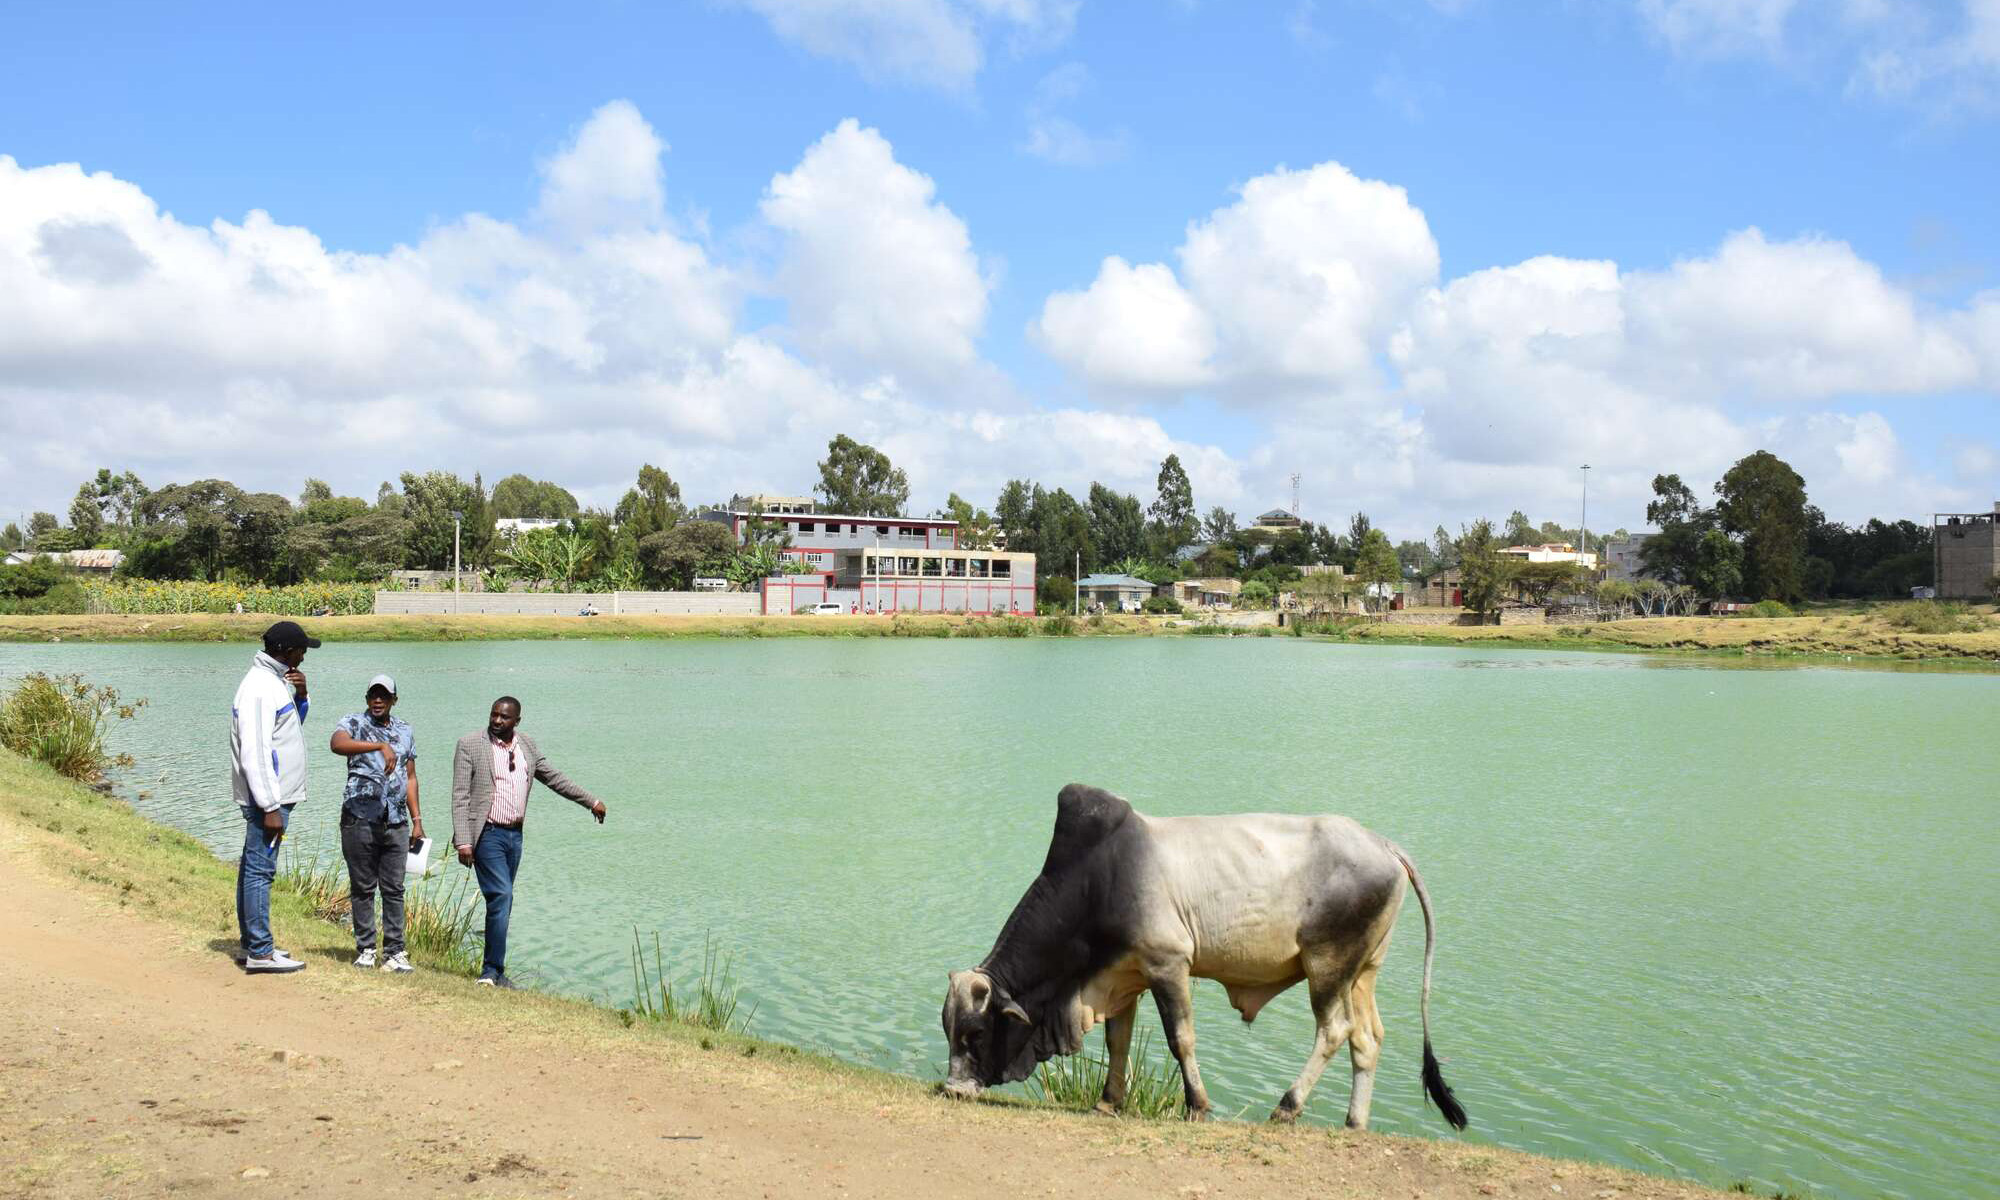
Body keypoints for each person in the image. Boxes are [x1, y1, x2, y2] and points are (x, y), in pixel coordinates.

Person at [450, 696, 608, 988]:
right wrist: (463, 841)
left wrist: (591, 801)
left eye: (504, 717)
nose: (497, 721)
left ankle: (496, 971)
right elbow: (460, 795)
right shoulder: (470, 744)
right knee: (501, 895)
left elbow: (554, 778)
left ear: (517, 721)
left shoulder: (527, 746)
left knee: (502, 903)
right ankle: (489, 973)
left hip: (514, 836)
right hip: (486, 834)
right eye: (494, 715)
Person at [229, 620, 319, 974]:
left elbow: (291, 727)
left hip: (276, 797)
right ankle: (260, 952)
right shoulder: (259, 688)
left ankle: (254, 943)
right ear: (286, 652)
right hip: (267, 799)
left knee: (253, 867)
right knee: (260, 871)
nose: (304, 655)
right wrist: (269, 805)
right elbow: (255, 751)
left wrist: (301, 696)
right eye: (302, 650)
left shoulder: (275, 683)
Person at [329, 674, 422, 972]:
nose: (378, 700)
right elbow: (337, 744)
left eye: (384, 695)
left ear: (394, 699)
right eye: (373, 695)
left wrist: (417, 819)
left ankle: (395, 953)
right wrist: (377, 746)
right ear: (367, 698)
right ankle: (366, 949)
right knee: (363, 886)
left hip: (396, 820)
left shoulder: (406, 730)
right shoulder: (354, 722)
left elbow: (410, 776)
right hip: (359, 817)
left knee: (394, 888)